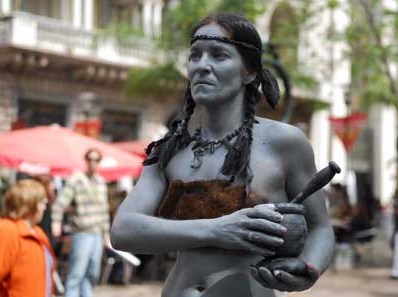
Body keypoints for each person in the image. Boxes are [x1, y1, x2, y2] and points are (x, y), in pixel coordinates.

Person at [111, 12, 334, 296]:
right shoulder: (168, 150)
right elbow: (123, 230)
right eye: (195, 56)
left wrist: (307, 267)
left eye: (218, 55)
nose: (202, 66)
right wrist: (217, 230)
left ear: (250, 72)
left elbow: (320, 228)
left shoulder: (285, 142)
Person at [0, 179, 55, 297]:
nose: (44, 207)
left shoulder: (38, 233)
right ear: (31, 204)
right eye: (42, 202)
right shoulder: (7, 232)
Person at [52, 148, 110, 297]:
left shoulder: (101, 182)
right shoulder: (76, 179)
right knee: (76, 273)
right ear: (86, 161)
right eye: (90, 159)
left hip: (97, 233)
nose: (92, 162)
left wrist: (106, 234)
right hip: (82, 232)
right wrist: (56, 222)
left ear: (99, 162)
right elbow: (60, 203)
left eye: (96, 159)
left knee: (92, 273)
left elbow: (104, 211)